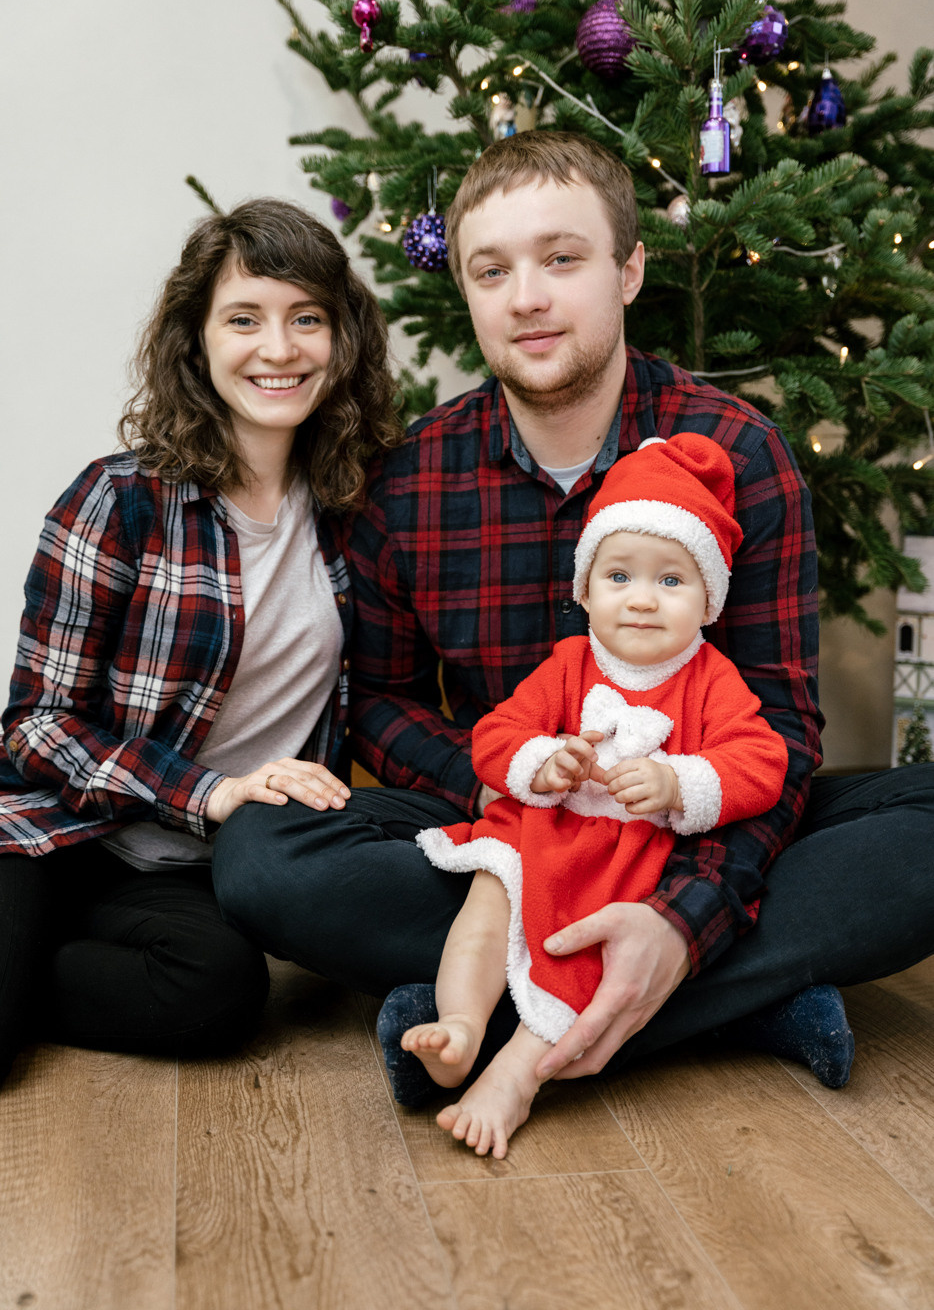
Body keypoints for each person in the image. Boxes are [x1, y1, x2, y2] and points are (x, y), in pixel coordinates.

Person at [212, 133, 934, 1118]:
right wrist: (514, 776)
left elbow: (780, 729)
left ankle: (506, 1014)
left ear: (627, 268)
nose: (526, 298)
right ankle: (738, 999)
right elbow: (375, 702)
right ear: (465, 288)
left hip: (689, 823)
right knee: (261, 853)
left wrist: (681, 916)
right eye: (492, 269)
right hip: (507, 838)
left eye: (561, 258)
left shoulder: (737, 450)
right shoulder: (411, 477)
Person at [0, 198, 402, 1087]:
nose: (280, 349)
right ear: (198, 342)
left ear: (343, 340)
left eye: (308, 319)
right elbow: (35, 724)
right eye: (245, 319)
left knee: (218, 995)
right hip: (51, 830)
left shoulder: (356, 509)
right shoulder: (119, 499)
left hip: (187, 876)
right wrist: (211, 791)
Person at [389, 433, 789, 1158]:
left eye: (672, 581)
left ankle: (515, 1078)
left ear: (709, 602)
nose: (641, 599)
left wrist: (679, 782)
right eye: (620, 577)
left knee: (581, 958)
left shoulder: (712, 679)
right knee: (487, 901)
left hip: (623, 860)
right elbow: (496, 733)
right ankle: (460, 1026)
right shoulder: (570, 662)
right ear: (584, 589)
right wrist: (541, 761)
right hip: (538, 830)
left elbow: (763, 760)